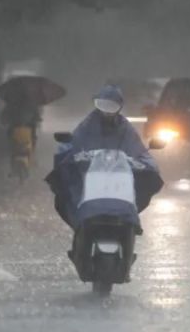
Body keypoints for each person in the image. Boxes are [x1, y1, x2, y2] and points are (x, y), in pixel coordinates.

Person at [47, 85, 162, 228]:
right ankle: (81, 225)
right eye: (103, 105)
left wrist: (142, 163)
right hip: (92, 176)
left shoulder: (125, 128)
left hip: (120, 178)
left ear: (119, 107)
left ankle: (128, 222)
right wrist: (73, 156)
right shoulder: (88, 125)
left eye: (111, 106)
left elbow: (138, 150)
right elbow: (74, 144)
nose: (107, 112)